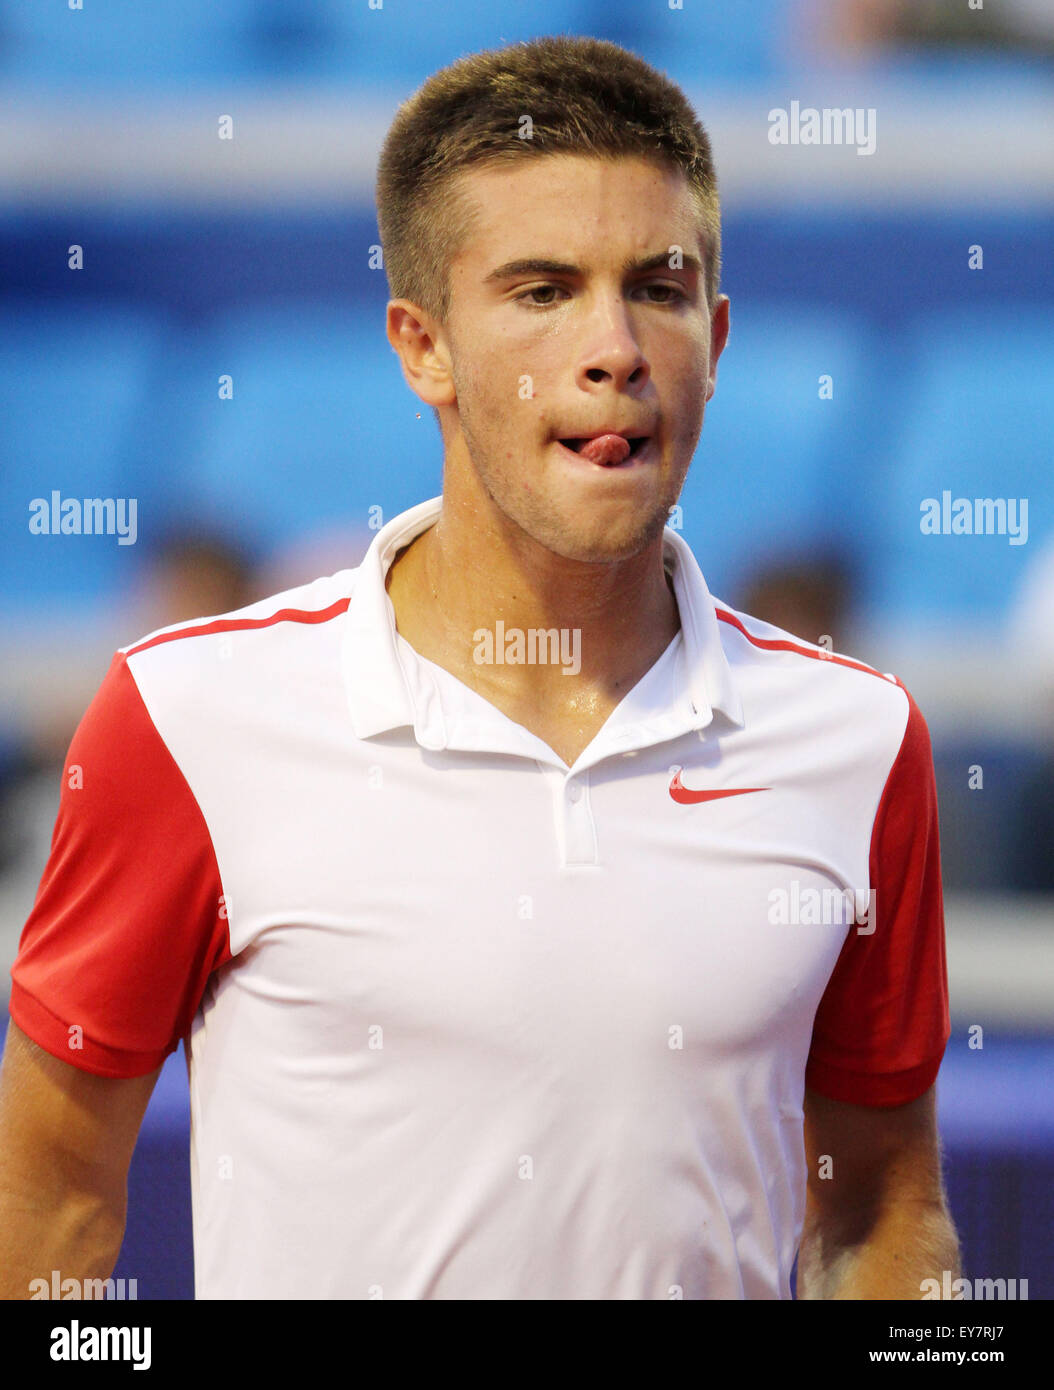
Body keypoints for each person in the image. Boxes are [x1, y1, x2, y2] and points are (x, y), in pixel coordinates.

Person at [0, 35, 958, 1300]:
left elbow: (884, 1205)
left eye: (659, 289)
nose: (613, 344)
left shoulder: (860, 736)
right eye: (543, 290)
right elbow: (47, 1218)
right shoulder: (186, 716)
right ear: (422, 346)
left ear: (715, 339)